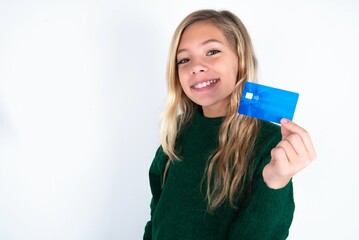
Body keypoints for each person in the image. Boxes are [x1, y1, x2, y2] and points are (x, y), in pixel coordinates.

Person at [143, 9, 316, 240]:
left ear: (240, 60)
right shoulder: (175, 134)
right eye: (184, 59)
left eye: (212, 51)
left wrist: (275, 183)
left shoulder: (269, 143)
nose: (195, 66)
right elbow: (157, 217)